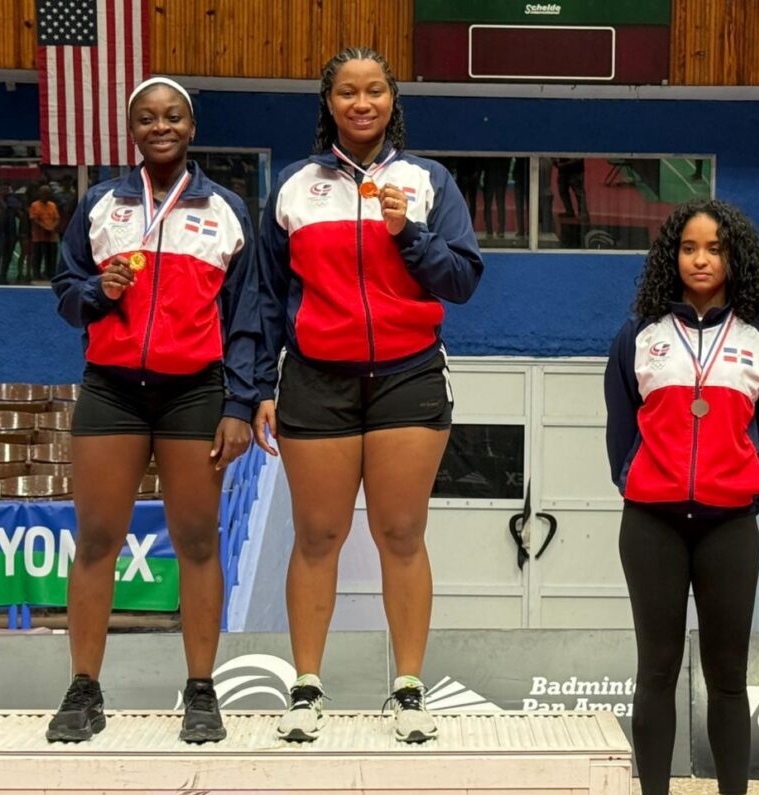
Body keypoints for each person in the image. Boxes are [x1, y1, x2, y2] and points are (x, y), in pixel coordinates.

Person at [255, 46, 484, 744]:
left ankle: (408, 689)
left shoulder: (428, 181)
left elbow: (461, 279)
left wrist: (406, 234)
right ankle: (305, 688)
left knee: (400, 533)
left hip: (408, 375)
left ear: (392, 101)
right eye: (348, 92)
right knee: (318, 534)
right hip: (316, 377)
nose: (362, 103)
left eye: (375, 91)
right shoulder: (294, 185)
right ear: (328, 102)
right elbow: (264, 296)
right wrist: (260, 384)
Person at [48, 77, 260, 744]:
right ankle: (83, 689)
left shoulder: (225, 210)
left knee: (198, 541)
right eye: (147, 118)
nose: (160, 126)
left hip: (194, 391)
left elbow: (249, 316)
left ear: (190, 128)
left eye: (172, 116)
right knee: (97, 540)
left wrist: (240, 401)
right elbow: (65, 290)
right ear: (132, 129)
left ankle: (202, 690)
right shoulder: (102, 204)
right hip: (111, 388)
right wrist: (97, 292)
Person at [605, 199, 759, 795]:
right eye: (688, 248)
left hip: (729, 524)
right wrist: (640, 479)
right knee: (655, 673)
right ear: (671, 256)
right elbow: (621, 426)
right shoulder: (641, 333)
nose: (701, 259)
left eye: (714, 248)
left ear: (735, 258)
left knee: (729, 679)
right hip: (652, 523)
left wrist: (747, 490)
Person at [29, 183, 60, 281]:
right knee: (38, 256)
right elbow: (34, 219)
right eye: (44, 193)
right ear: (40, 194)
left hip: (51, 237)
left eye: (47, 193)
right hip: (39, 237)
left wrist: (52, 227)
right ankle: (36, 274)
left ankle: (50, 274)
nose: (46, 195)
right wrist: (45, 227)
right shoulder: (35, 205)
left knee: (51, 257)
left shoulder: (52, 205)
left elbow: (57, 218)